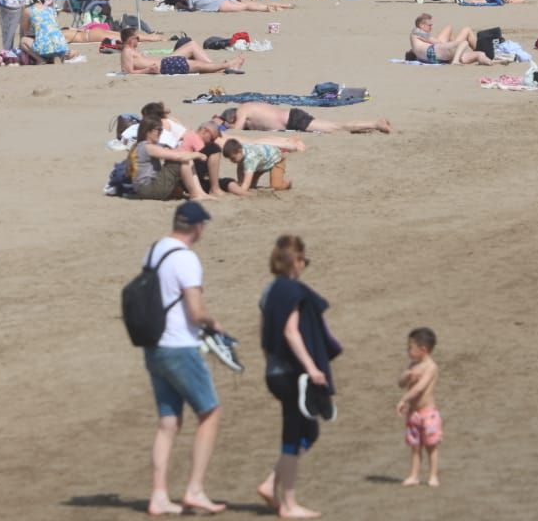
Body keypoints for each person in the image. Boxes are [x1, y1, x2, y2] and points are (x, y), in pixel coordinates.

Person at [141, 202, 227, 516]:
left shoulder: (154, 250)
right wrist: (214, 323)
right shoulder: (187, 259)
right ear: (198, 227)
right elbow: (195, 311)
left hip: (153, 346)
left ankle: (159, 495)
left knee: (168, 422)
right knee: (210, 412)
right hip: (179, 347)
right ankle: (195, 489)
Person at [256, 235, 341, 519]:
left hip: (275, 371)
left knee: (308, 432)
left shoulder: (269, 291)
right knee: (293, 437)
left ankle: (271, 483)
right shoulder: (292, 291)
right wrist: (312, 367)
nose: (304, 265)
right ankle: (289, 505)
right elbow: (291, 332)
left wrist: (270, 368)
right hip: (293, 373)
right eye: (304, 260)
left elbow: (264, 336)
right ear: (295, 261)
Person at [398, 327, 441, 487]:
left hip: (428, 413)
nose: (407, 350)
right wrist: (406, 375)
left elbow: (419, 388)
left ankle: (433, 476)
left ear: (423, 349)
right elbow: (400, 383)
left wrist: (403, 400)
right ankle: (414, 475)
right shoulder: (412, 365)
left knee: (431, 446)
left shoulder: (431, 367)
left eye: (410, 347)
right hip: (413, 414)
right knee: (415, 447)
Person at [120, 29, 246, 76]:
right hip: (165, 66)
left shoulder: (131, 50)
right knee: (198, 65)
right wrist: (147, 70)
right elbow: (128, 72)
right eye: (137, 38)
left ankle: (221, 66)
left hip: (165, 62)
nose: (139, 40)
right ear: (131, 39)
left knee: (192, 46)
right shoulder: (127, 51)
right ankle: (227, 65)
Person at [220, 102, 391, 135]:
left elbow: (237, 129)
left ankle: (376, 123)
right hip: (292, 116)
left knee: (336, 127)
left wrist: (225, 127)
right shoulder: (249, 106)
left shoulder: (242, 110)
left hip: (293, 120)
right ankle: (373, 124)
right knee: (334, 127)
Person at [220, 138, 306, 194]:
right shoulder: (241, 151)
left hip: (276, 159)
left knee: (276, 186)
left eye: (233, 158)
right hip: (261, 163)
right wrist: (240, 182)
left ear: (239, 150)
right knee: (251, 185)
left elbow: (246, 184)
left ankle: (287, 184)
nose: (232, 161)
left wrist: (241, 190)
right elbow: (240, 168)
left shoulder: (250, 158)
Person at [408, 14, 498, 65]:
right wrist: (453, 45)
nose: (431, 27)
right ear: (421, 25)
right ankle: (455, 60)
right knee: (463, 42)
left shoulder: (416, 37)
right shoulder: (417, 31)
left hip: (434, 55)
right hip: (433, 53)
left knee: (479, 54)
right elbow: (436, 42)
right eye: (429, 25)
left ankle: (493, 61)